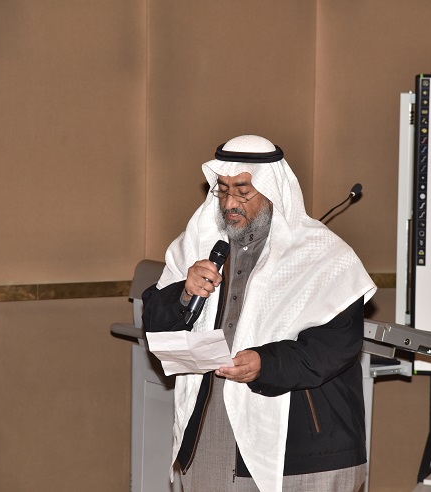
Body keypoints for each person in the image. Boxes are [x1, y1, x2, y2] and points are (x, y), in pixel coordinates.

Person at [142, 135, 377, 492]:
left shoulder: (324, 256)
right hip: (214, 434)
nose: (229, 203)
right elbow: (155, 323)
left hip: (304, 448)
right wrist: (183, 294)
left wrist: (265, 363)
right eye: (223, 190)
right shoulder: (197, 243)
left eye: (243, 192)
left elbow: (334, 347)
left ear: (272, 191)